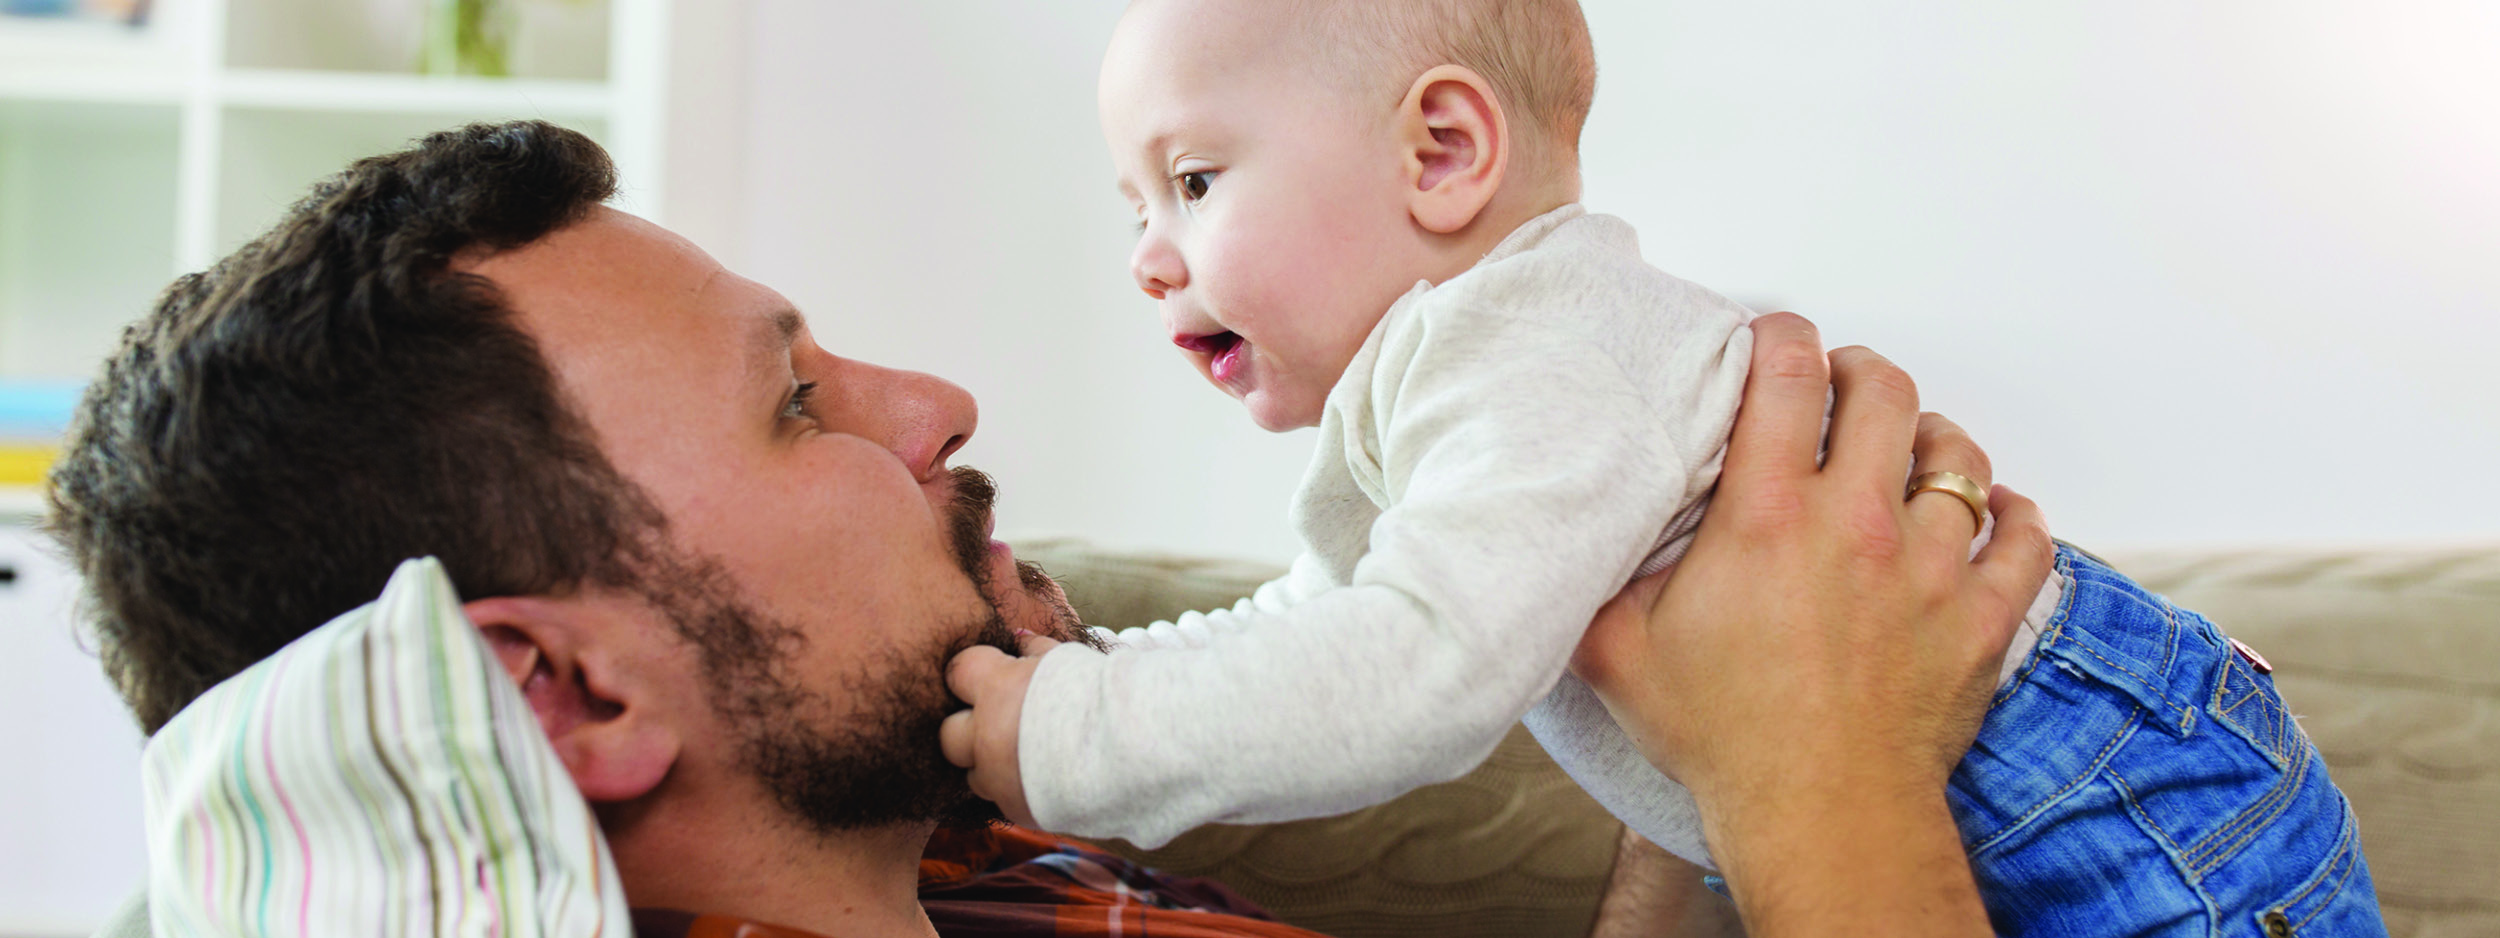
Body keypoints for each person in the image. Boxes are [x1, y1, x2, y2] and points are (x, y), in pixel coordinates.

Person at [51, 121, 2009, 938]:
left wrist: (1715, 741)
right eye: (799, 401)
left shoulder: (983, 854)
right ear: (560, 683)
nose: (937, 407)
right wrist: (1821, 771)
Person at [941, 1, 2387, 934]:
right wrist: (1099, 680)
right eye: (1133, 203)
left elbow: (1414, 676)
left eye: (1191, 184)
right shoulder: (1436, 390)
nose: (1146, 258)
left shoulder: (1529, 349)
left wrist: (1074, 737)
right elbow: (1319, 635)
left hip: (2109, 779)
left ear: (1443, 150)